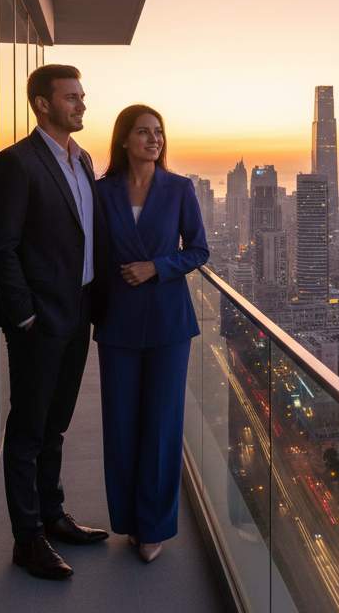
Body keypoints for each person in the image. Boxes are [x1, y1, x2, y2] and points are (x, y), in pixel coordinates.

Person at [0, 64, 109, 581]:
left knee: (56, 423)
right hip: (40, 317)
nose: (82, 104)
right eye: (71, 97)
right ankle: (27, 538)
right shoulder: (16, 162)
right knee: (28, 429)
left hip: (79, 310)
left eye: (82, 96)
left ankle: (53, 515)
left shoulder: (83, 159)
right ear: (42, 103)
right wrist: (26, 314)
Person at [93, 104, 208, 562]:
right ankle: (128, 520)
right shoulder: (101, 192)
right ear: (124, 139)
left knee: (162, 425)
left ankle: (154, 526)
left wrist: (156, 267)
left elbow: (198, 250)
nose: (154, 139)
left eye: (158, 132)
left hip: (168, 320)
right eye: (143, 132)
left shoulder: (179, 188)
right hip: (117, 318)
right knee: (121, 425)